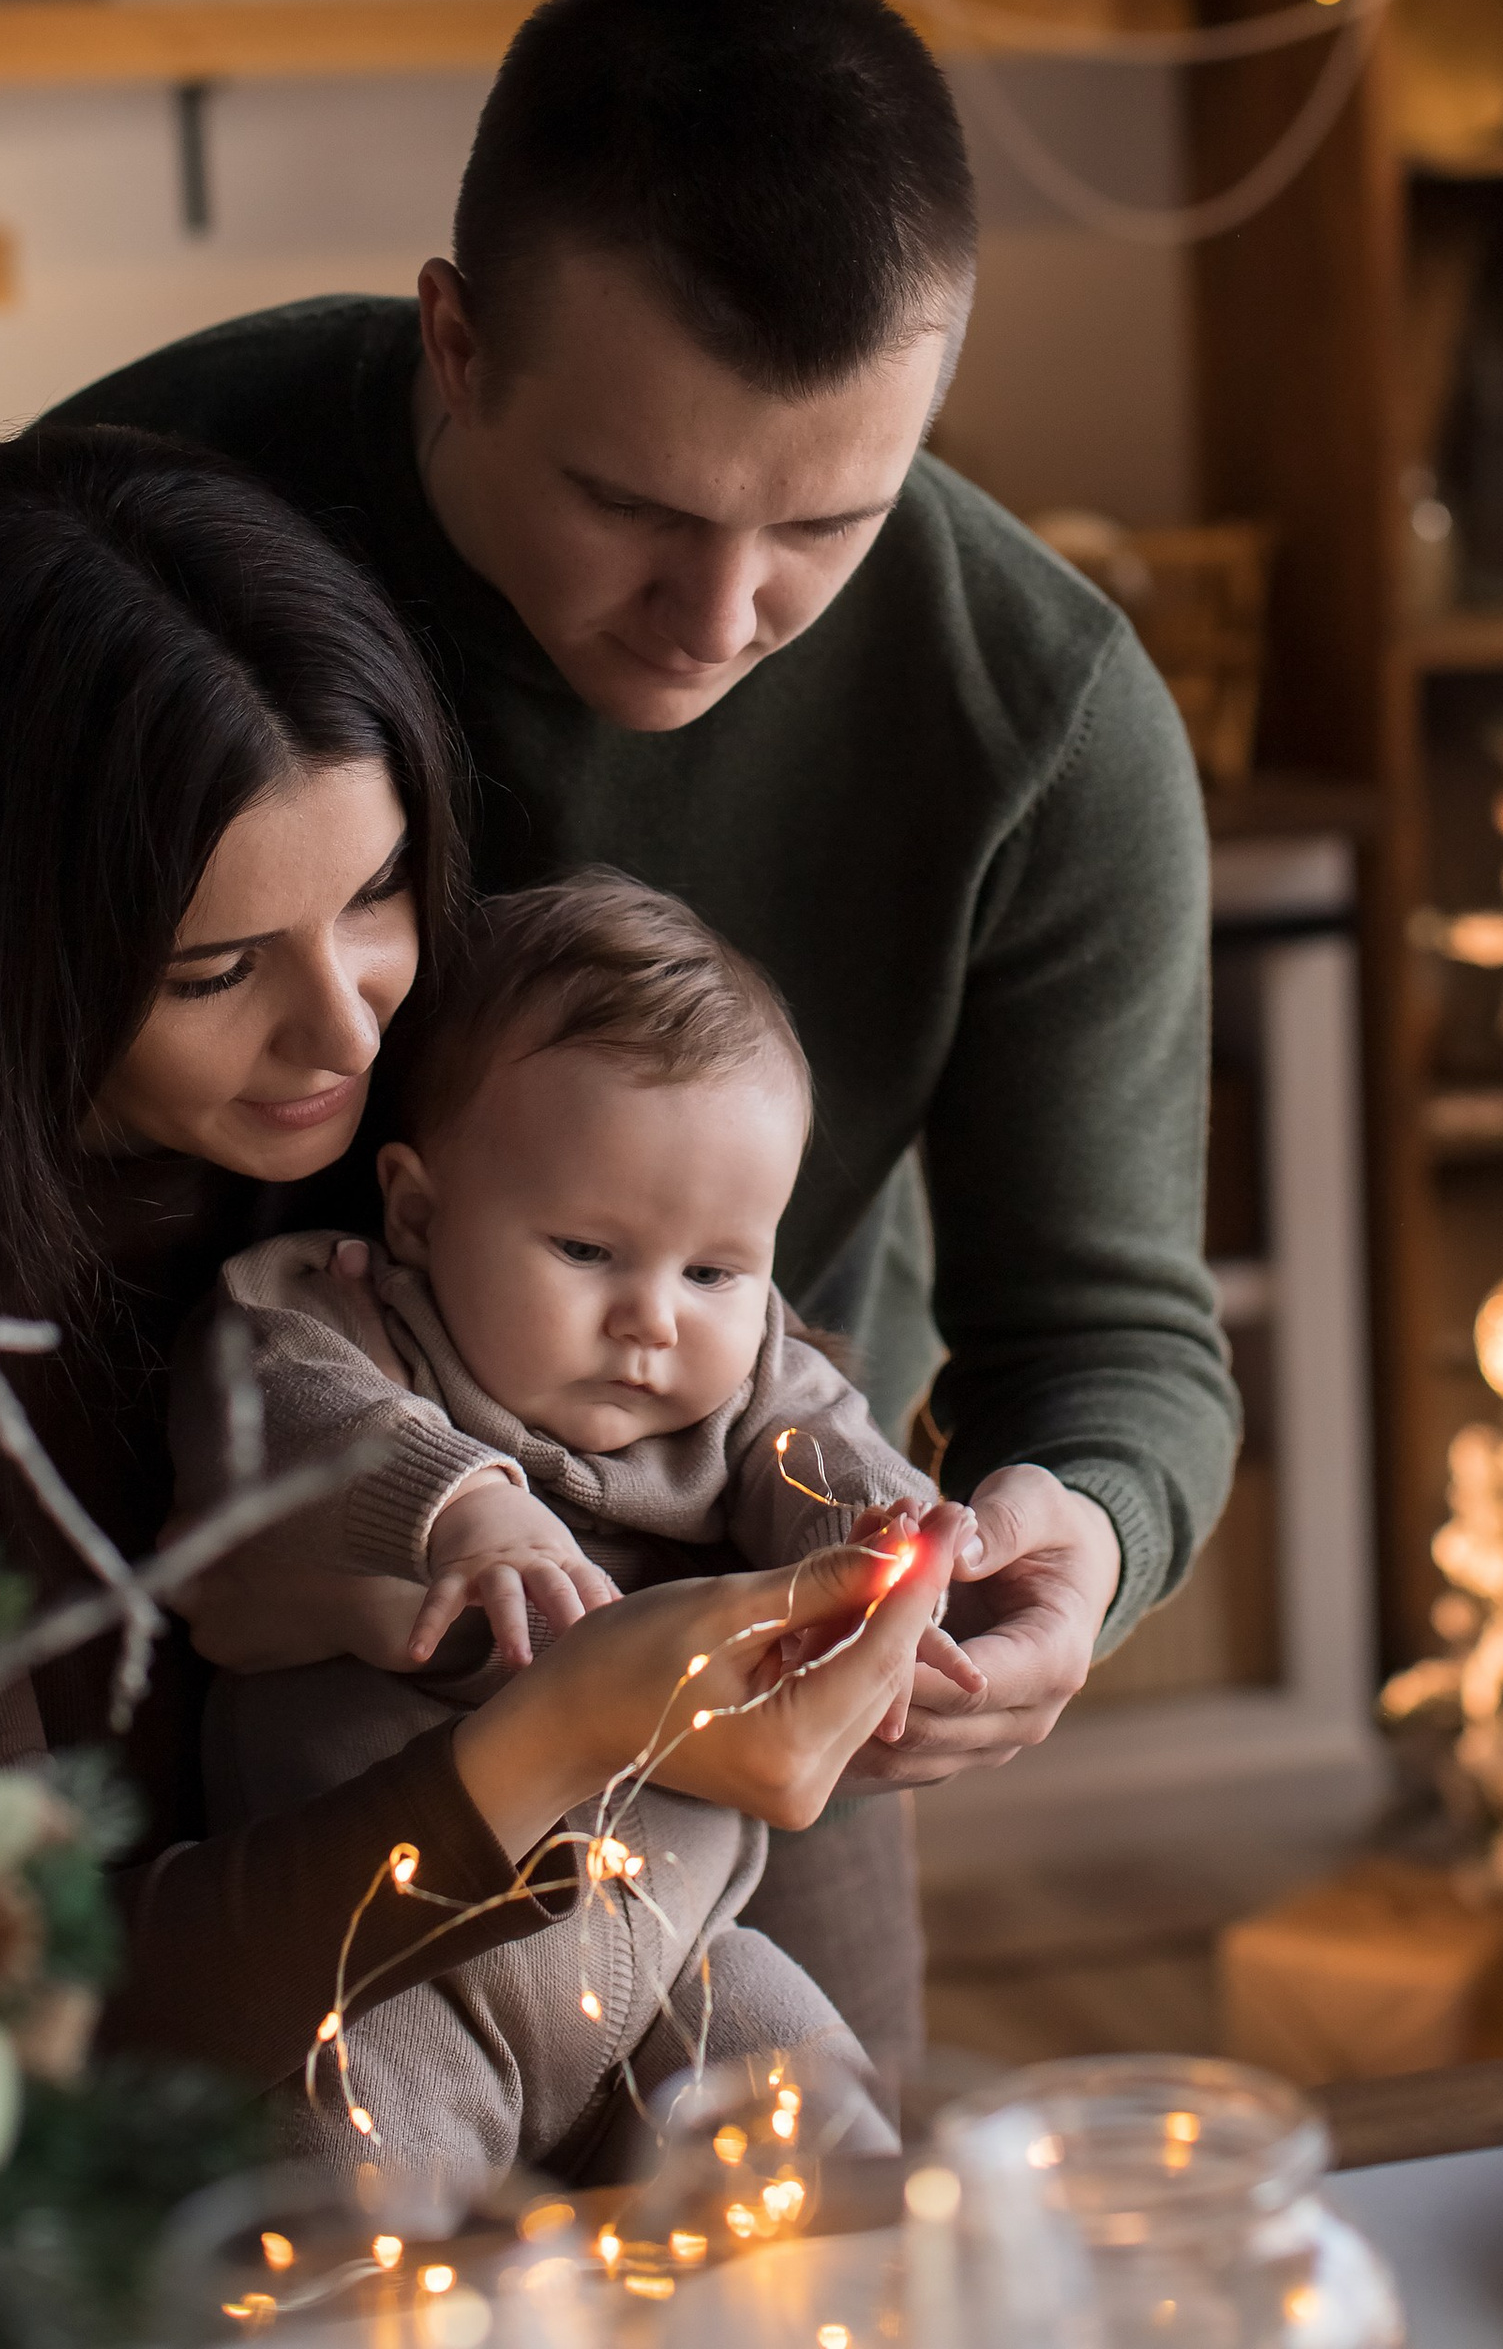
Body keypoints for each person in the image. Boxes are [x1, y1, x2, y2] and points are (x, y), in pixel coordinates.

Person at [52, 0, 1238, 2057]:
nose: (718, 616)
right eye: (632, 505)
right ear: (455, 339)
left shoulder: (1038, 718)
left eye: (826, 524)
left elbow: (1115, 1334)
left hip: (743, 1675)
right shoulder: (133, 531)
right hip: (174, 1627)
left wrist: (1075, 1534)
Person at [0, 429, 953, 2092]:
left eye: (381, 891)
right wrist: (551, 1736)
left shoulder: (494, 1122)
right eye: (215, 970)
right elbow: (26, 2020)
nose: (347, 1027)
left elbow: (765, 1453)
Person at [173, 867, 946, 2189]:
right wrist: (465, 1508)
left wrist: (899, 1543)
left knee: (838, 2171)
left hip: (679, 1972)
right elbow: (285, 1406)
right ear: (418, 1211)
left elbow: (822, 1450)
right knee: (362, 2242)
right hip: (404, 1978)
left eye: (715, 1270)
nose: (656, 1319)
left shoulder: (746, 1382)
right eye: (587, 1252)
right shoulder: (349, 1316)